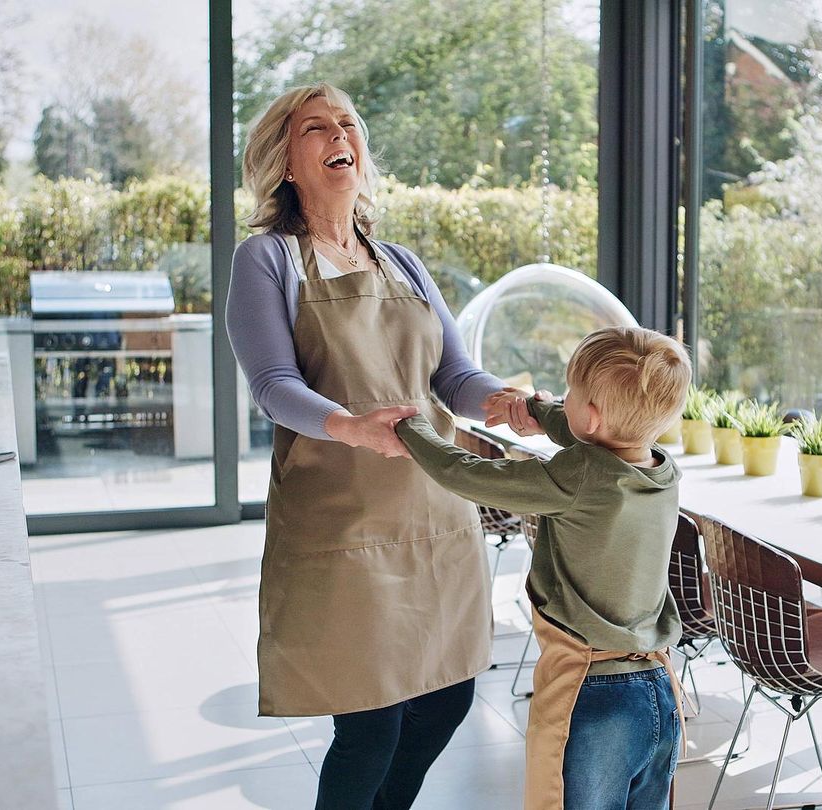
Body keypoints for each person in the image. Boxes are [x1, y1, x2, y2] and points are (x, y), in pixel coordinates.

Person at [226, 82, 537, 810]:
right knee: (369, 723)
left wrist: (507, 402)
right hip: (343, 521)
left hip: (435, 514)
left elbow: (454, 376)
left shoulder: (401, 262)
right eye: (316, 127)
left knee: (447, 699)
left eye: (349, 124)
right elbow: (272, 383)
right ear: (284, 161)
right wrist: (350, 426)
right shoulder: (265, 260)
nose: (340, 134)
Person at [395, 326, 691, 810]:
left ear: (592, 416)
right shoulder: (659, 467)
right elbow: (593, 431)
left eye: (571, 392)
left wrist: (413, 429)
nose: (566, 397)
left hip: (593, 697)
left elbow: (467, 474)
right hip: (658, 690)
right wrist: (537, 411)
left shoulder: (579, 476)